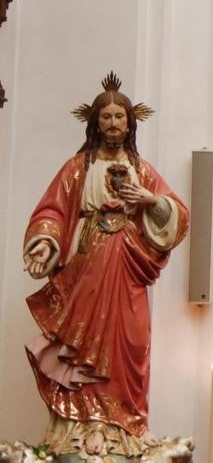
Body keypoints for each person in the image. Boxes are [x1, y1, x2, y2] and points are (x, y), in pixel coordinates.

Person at [21, 72, 189, 459]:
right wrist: (45, 243)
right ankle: (84, 422)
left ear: (131, 123)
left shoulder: (142, 169)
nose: (113, 123)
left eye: (120, 117)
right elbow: (53, 211)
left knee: (130, 341)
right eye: (106, 117)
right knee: (83, 340)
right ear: (94, 122)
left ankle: (126, 421)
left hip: (129, 263)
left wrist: (150, 200)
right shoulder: (78, 167)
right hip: (88, 261)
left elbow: (179, 214)